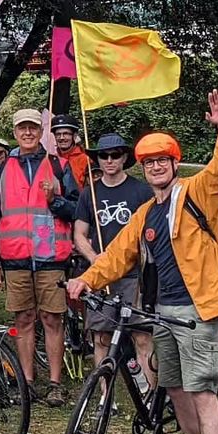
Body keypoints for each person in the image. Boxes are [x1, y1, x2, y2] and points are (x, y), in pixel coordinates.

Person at [68, 90, 218, 434]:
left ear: (173, 162)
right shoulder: (147, 211)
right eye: (149, 162)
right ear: (144, 168)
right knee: (175, 388)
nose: (155, 167)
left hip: (201, 310)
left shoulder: (196, 193)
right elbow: (116, 255)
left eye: (162, 160)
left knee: (203, 392)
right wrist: (85, 279)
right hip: (163, 311)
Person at [0, 108, 78, 406]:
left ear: (42, 132)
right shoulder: (0, 170)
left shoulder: (59, 166)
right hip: (14, 258)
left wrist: (56, 199)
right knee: (23, 319)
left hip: (51, 257)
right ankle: (27, 381)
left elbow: (77, 212)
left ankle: (54, 383)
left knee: (53, 319)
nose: (27, 133)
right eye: (22, 128)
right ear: (15, 132)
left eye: (33, 128)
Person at [72, 133, 154, 384]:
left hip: (133, 276)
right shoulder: (90, 194)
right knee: (101, 336)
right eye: (103, 156)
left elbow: (150, 233)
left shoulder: (141, 191)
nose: (109, 160)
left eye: (115, 155)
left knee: (141, 335)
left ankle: (149, 393)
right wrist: (96, 259)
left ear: (124, 157)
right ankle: (105, 395)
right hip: (101, 277)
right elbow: (79, 234)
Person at [50, 114, 91, 192]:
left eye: (66, 134)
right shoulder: (50, 160)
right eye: (58, 134)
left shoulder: (86, 160)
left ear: (74, 136)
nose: (61, 138)